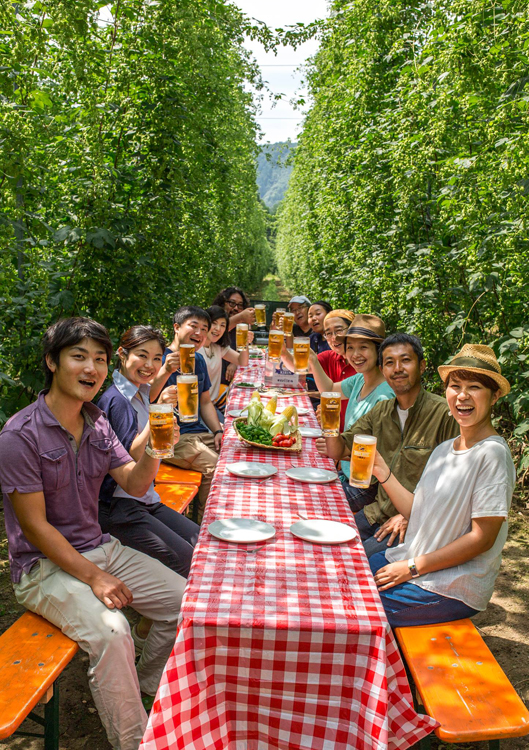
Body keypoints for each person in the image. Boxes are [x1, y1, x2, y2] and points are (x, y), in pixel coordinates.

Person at [0, 317, 186, 750]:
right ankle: (135, 741)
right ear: (52, 362)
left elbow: (135, 484)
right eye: (79, 357)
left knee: (184, 601)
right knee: (113, 632)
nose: (92, 368)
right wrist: (94, 577)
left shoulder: (97, 422)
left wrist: (156, 450)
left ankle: (144, 682)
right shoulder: (18, 436)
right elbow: (35, 526)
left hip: (101, 547)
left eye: (99, 359)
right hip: (43, 568)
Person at [369, 344, 515, 627]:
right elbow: (417, 512)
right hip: (413, 564)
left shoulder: (492, 453)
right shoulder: (445, 449)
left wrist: (411, 568)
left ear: (495, 395)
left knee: (353, 604)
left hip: (450, 587)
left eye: (474, 387)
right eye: (455, 386)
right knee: (340, 573)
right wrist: (382, 471)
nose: (462, 395)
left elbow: (482, 538)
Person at [320, 333, 459, 557]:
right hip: (376, 512)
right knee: (323, 543)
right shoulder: (382, 412)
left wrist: (408, 515)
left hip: (413, 523)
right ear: (383, 370)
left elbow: (454, 483)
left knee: (350, 563)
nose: (397, 369)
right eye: (389, 363)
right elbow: (339, 450)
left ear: (422, 366)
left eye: (405, 360)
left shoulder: (444, 415)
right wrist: (330, 424)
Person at [151, 306, 223, 524]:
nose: (199, 333)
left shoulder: (198, 360)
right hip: (173, 438)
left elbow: (206, 402)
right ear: (176, 327)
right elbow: (143, 401)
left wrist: (219, 430)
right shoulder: (157, 359)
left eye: (204, 329)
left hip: (197, 430)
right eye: (194, 326)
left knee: (234, 451)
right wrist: (164, 372)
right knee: (214, 467)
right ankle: (204, 526)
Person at [311, 315, 395, 499]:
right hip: (347, 474)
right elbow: (330, 390)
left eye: (363, 347)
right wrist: (312, 360)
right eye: (350, 348)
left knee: (314, 500)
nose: (355, 355)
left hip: (366, 486)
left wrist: (338, 449)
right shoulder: (360, 379)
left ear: (379, 350)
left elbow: (382, 455)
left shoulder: (385, 396)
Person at [203, 305, 251, 418]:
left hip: (213, 403)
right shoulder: (195, 349)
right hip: (202, 407)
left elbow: (242, 361)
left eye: (222, 325)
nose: (218, 329)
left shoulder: (217, 347)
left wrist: (245, 343)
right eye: (214, 323)